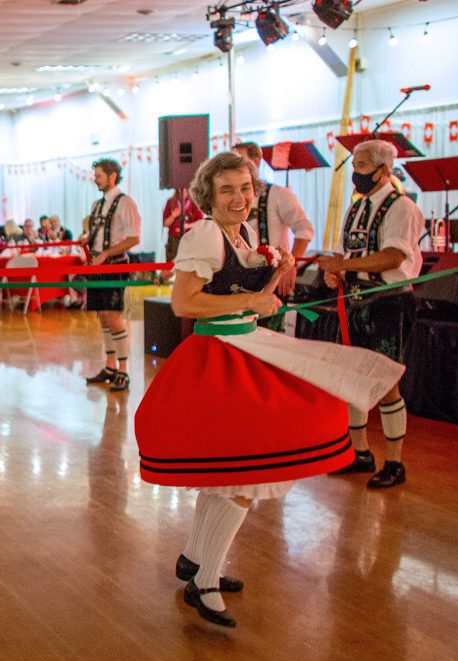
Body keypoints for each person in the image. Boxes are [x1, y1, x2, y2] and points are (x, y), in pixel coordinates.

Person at [135, 152, 403, 628]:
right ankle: (206, 579)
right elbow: (184, 303)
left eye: (245, 188)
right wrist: (253, 298)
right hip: (221, 358)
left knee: (230, 468)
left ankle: (197, 559)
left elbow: (245, 297)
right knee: (248, 470)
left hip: (244, 348)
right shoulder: (204, 234)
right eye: (227, 191)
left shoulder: (244, 234)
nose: (240, 199)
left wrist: (275, 277)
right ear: (208, 197)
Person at [316, 139, 423, 489]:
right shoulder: (357, 208)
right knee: (352, 378)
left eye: (362, 165)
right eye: (355, 165)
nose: (356, 173)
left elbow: (393, 257)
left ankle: (395, 461)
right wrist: (338, 272)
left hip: (389, 301)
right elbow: (352, 252)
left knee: (386, 383)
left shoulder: (401, 207)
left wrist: (345, 264)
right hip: (356, 300)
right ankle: (358, 451)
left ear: (384, 170)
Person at [83, 159, 141, 392]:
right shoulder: (98, 205)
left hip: (115, 266)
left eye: (98, 175)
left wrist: (106, 252)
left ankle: (124, 371)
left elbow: (134, 238)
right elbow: (95, 232)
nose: (95, 179)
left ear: (112, 176)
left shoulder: (125, 202)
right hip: (97, 266)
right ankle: (109, 366)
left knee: (114, 316)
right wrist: (87, 238)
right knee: (103, 316)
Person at [233, 142, 316, 304]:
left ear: (255, 162)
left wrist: (291, 265)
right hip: (241, 282)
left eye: (239, 160)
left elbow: (304, 230)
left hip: (273, 280)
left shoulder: (278, 194)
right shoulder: (231, 199)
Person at [162, 188, 203, 263]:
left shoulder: (194, 203)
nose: (182, 192)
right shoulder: (171, 202)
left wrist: (187, 226)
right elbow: (165, 224)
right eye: (179, 190)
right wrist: (173, 216)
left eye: (184, 190)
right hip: (174, 240)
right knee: (171, 265)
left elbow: (201, 223)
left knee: (188, 265)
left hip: (190, 239)